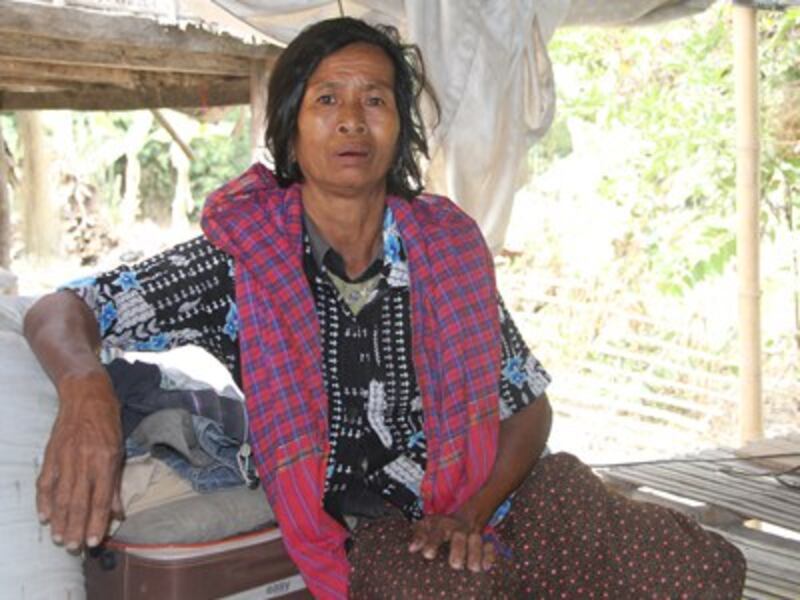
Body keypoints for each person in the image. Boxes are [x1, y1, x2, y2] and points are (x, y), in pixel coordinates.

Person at [24, 17, 745, 599]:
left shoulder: (445, 244)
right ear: (290, 126)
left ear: (399, 125)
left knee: (699, 572)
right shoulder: (243, 259)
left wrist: (470, 509)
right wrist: (87, 394)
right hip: (387, 532)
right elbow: (62, 311)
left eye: (374, 99)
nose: (351, 121)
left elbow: (526, 405)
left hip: (508, 492)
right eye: (326, 99)